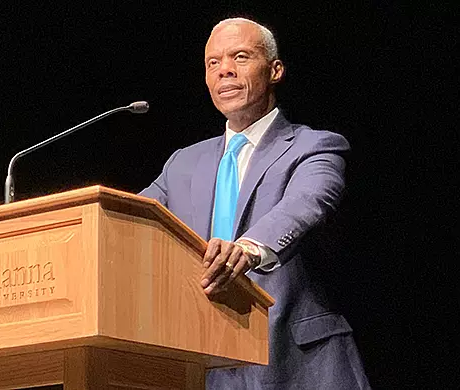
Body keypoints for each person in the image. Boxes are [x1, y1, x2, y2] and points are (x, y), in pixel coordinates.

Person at [139, 18, 370, 389]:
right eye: (213, 63)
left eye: (240, 57)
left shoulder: (315, 147)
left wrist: (248, 248)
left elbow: (306, 203)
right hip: (207, 365)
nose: (225, 70)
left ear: (275, 70)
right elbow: (131, 219)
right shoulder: (183, 163)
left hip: (298, 366)